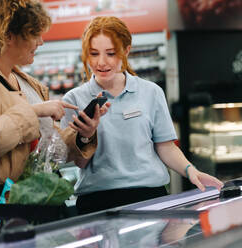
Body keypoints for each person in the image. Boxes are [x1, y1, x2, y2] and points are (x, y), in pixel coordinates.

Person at [60, 16, 224, 215]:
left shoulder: (151, 92)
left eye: (111, 53)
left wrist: (192, 171)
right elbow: (80, 163)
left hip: (149, 197)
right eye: (93, 54)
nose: (101, 62)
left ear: (126, 51)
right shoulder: (74, 99)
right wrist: (87, 135)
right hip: (97, 202)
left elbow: (165, 146)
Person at [0, 0, 108, 184]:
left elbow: (48, 151)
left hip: (21, 201)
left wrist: (84, 134)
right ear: (8, 35)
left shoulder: (27, 84)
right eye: (34, 34)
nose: (41, 42)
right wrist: (34, 112)